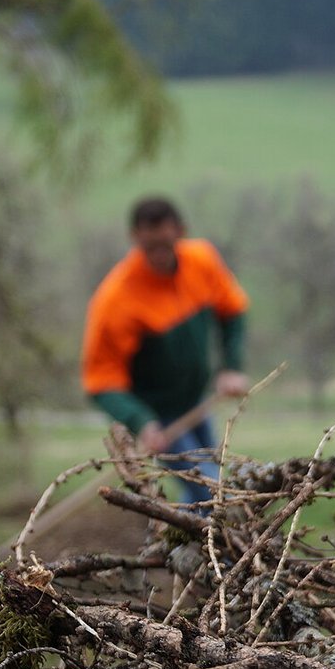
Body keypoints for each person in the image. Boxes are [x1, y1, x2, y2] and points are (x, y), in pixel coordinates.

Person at [81, 196, 251, 506]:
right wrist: (141, 421)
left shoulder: (201, 261)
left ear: (181, 232)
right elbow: (101, 380)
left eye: (166, 244)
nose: (159, 254)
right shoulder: (116, 300)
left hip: (195, 401)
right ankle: (213, 537)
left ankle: (195, 534)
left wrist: (231, 366)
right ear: (135, 238)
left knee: (210, 486)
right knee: (211, 491)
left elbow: (232, 310)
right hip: (161, 418)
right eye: (150, 246)